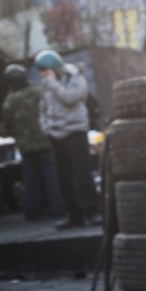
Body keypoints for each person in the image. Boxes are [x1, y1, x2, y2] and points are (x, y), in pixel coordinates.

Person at [34, 49, 97, 229]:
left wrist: (53, 83)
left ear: (53, 68)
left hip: (75, 132)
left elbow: (70, 98)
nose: (44, 76)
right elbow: (43, 108)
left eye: (46, 71)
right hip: (56, 134)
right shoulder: (46, 84)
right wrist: (46, 128)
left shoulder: (74, 78)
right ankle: (74, 215)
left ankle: (92, 211)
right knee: (63, 177)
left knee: (82, 173)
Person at [1, 64, 65, 221]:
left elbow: (7, 124)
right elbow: (52, 109)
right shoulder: (38, 91)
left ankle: (32, 212)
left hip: (25, 146)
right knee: (51, 176)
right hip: (45, 141)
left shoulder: (9, 101)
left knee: (30, 179)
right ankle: (57, 209)